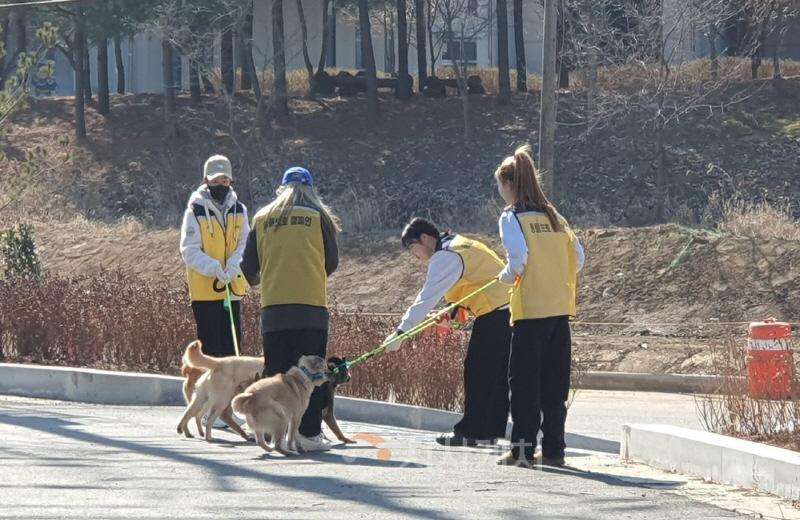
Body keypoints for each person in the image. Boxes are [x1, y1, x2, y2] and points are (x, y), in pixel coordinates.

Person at [493, 145, 585, 468]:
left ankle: (521, 451)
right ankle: (555, 451)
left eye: (500, 188)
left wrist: (504, 277)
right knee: (554, 388)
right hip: (559, 312)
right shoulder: (553, 215)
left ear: (509, 185)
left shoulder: (511, 216)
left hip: (530, 312)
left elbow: (517, 261)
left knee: (524, 387)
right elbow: (580, 258)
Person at [384, 218, 512, 447]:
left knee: (478, 372)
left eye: (412, 248)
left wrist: (402, 331)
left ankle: (471, 432)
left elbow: (425, 298)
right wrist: (450, 314)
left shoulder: (445, 256)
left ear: (425, 239)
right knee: (496, 375)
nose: (415, 256)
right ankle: (489, 431)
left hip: (496, 313)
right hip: (509, 310)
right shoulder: (460, 243)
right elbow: (471, 286)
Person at [240, 166, 340, 452]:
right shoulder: (318, 217)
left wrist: (270, 275)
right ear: (310, 190)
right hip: (310, 307)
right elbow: (331, 263)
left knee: (276, 375)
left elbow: (248, 269)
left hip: (274, 308)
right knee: (311, 375)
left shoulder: (262, 219)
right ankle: (308, 436)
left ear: (280, 189)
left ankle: (275, 433)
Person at [180, 154, 249, 359]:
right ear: (206, 181)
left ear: (230, 181)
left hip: (232, 288)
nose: (220, 184)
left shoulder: (240, 210)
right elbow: (189, 250)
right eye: (216, 181)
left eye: (224, 181)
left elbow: (245, 243)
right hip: (205, 293)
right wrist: (214, 268)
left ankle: (230, 391)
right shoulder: (195, 210)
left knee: (232, 351)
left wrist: (234, 265)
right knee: (210, 352)